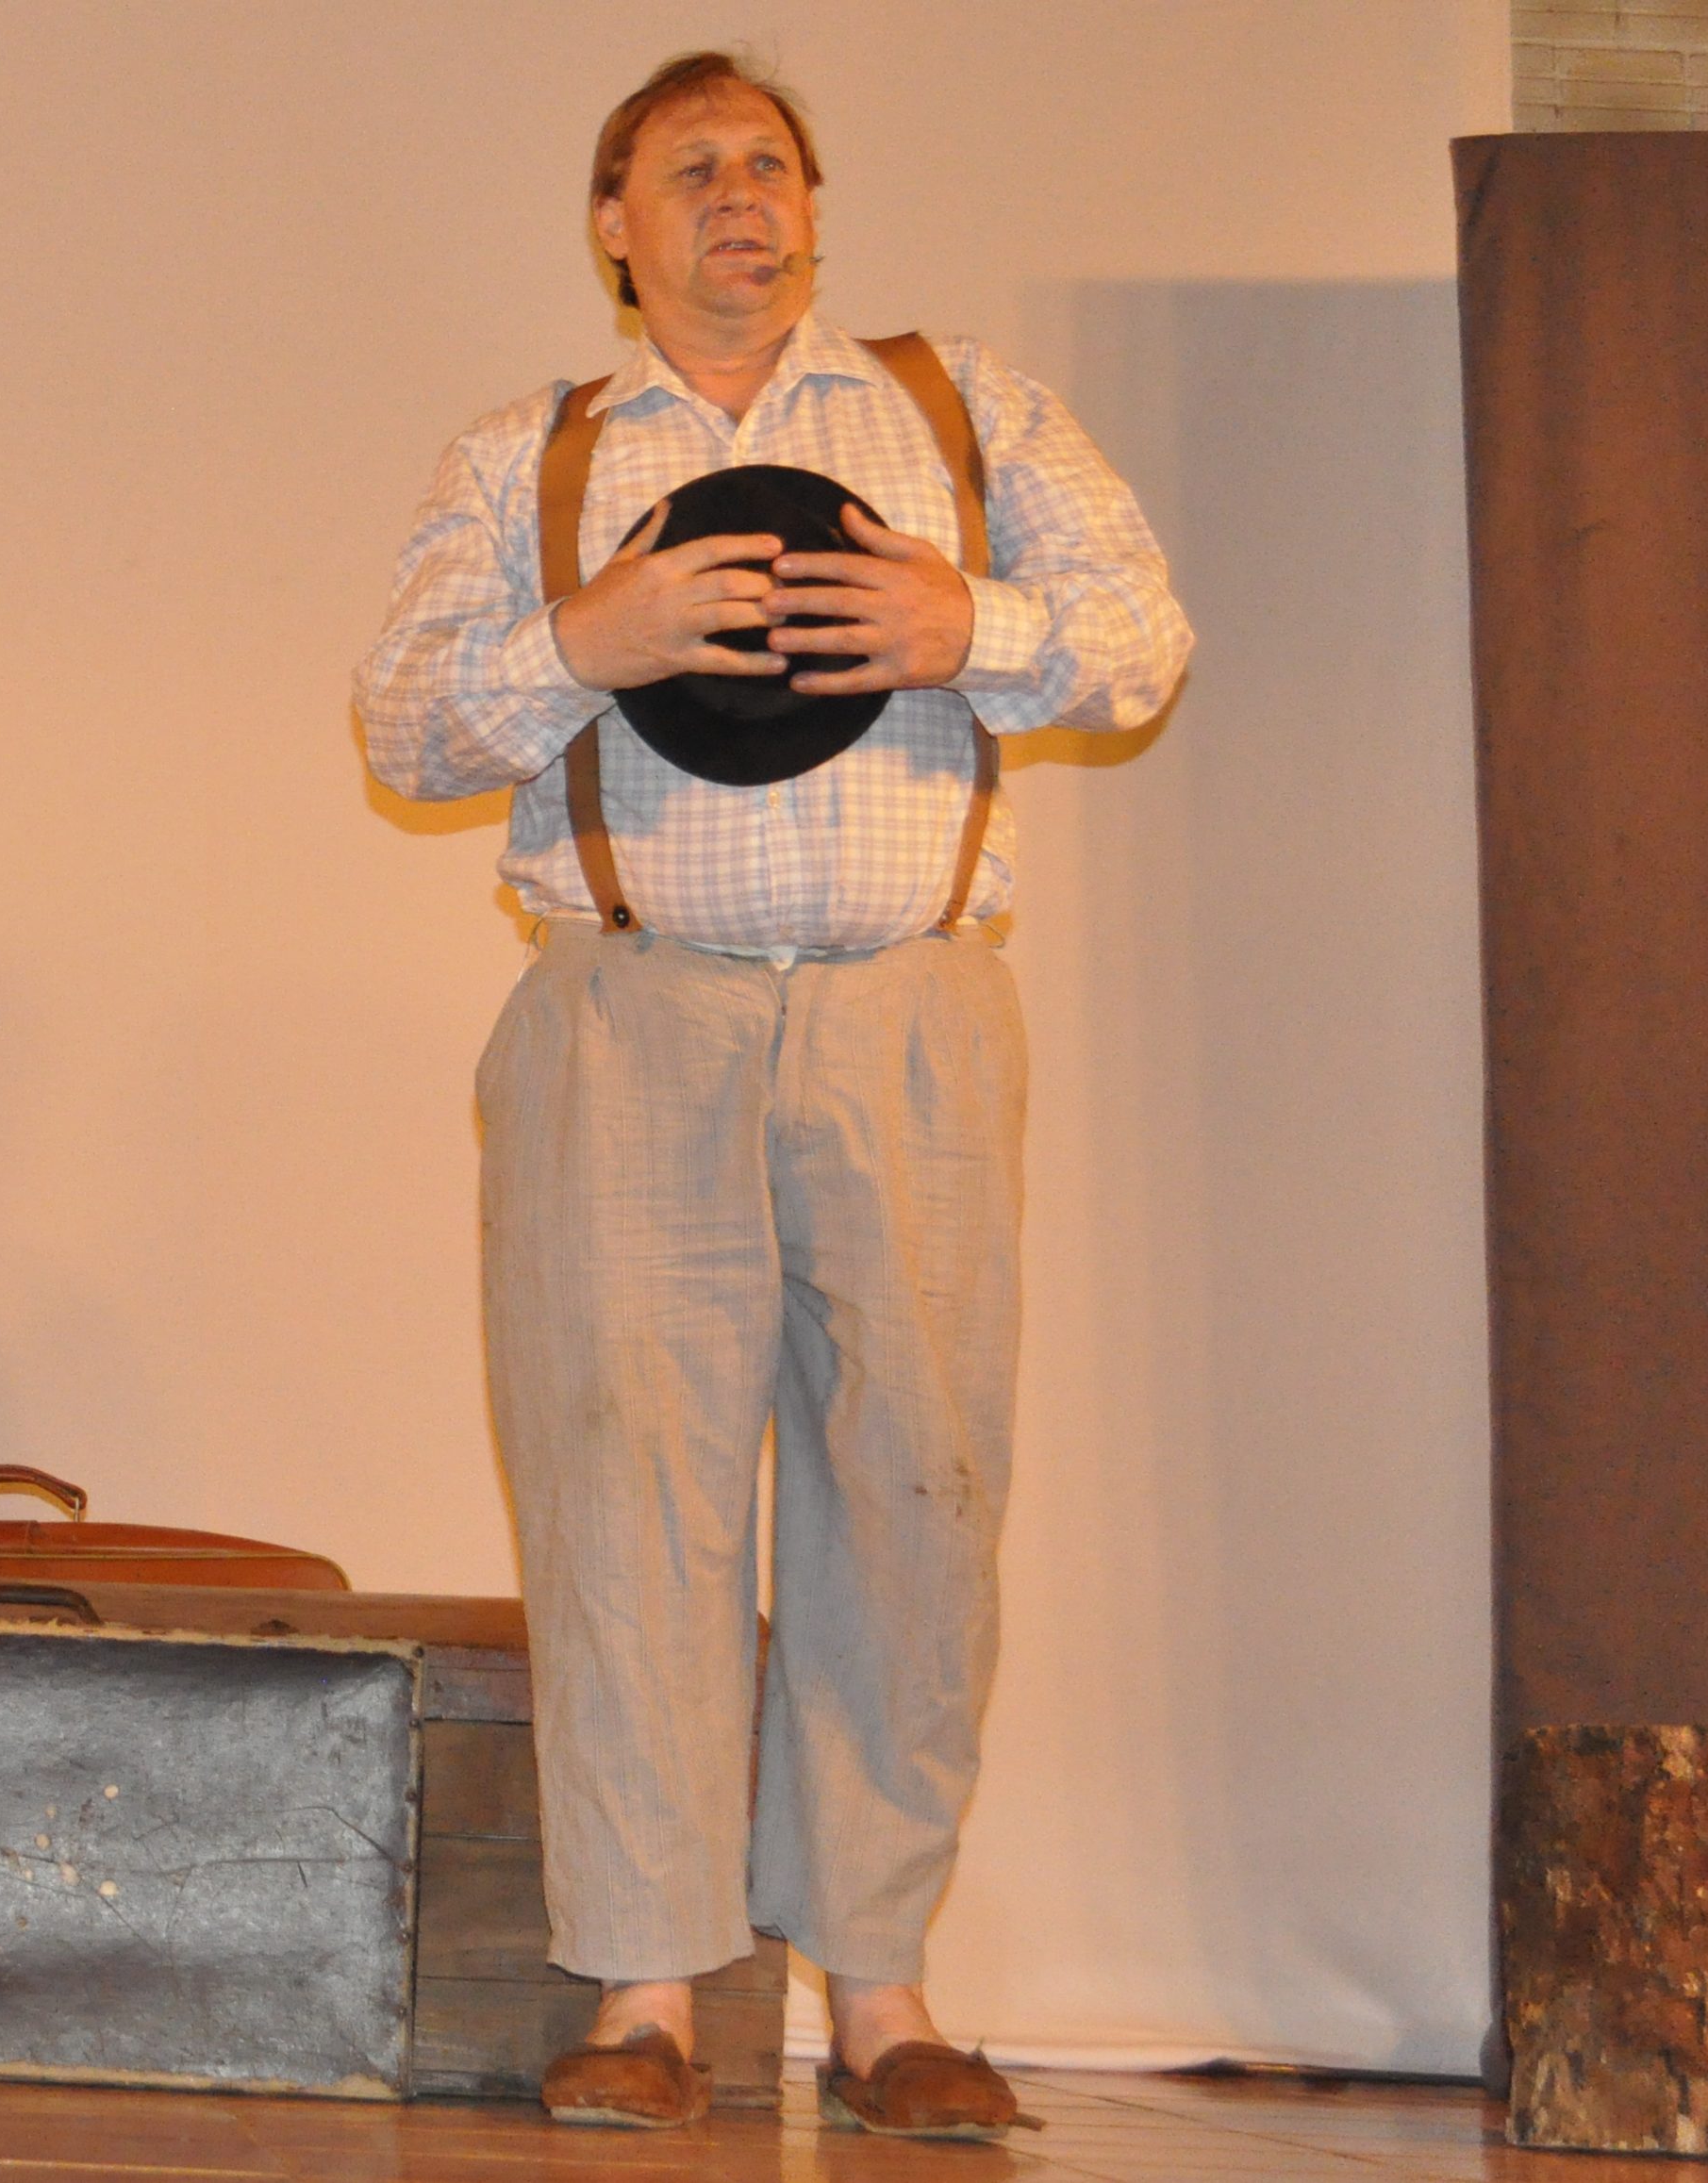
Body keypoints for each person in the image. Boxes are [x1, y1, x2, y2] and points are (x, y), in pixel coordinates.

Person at [352, 52, 1188, 2136]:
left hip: (914, 1019)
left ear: (812, 208)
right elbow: (407, 723)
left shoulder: (964, 412)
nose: (743, 193)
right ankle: (646, 1993)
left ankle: (883, 2002)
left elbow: (1141, 641)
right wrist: (592, 631)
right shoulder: (526, 457)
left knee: (916, 1495)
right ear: (613, 227)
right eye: (691, 167)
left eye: (772, 164)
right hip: (629, 1018)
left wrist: (963, 617)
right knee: (625, 1495)